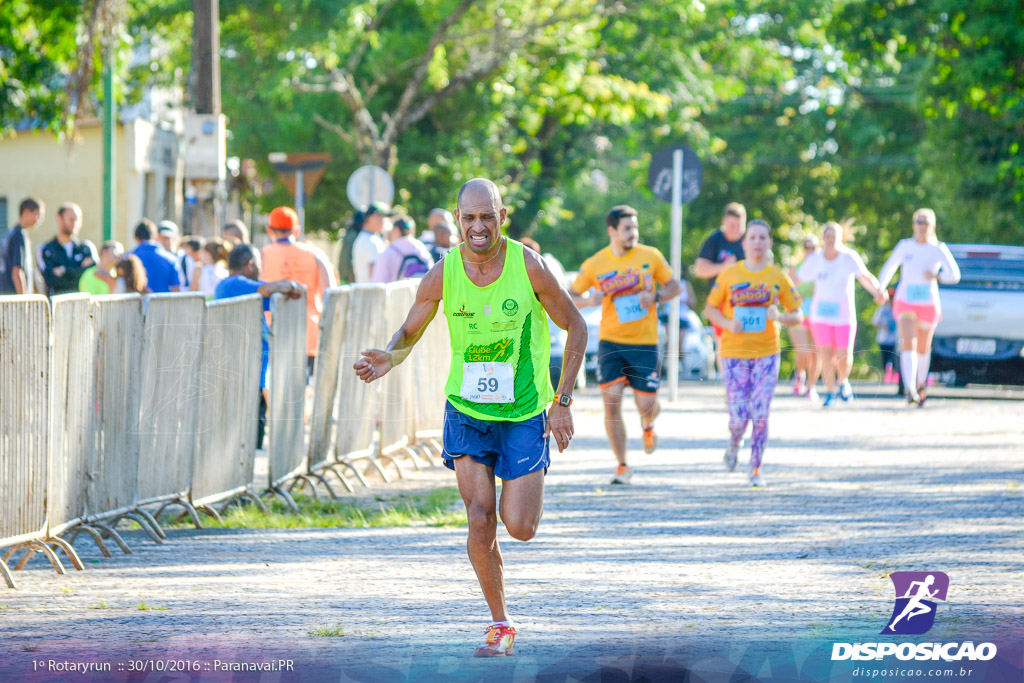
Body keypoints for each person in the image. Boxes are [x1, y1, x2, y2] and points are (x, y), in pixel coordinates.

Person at [354, 178, 586, 658]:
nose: (477, 227)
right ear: (457, 220)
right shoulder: (443, 273)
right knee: (479, 518)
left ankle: (518, 492)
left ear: (502, 216)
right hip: (465, 410)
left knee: (518, 526)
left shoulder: (529, 267)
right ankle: (500, 624)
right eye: (468, 218)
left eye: (486, 217)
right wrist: (389, 357)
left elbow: (576, 326)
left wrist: (561, 402)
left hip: (523, 412)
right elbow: (410, 328)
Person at [570, 205, 682, 485]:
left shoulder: (650, 256)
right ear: (612, 231)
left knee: (647, 403)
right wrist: (588, 301)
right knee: (611, 404)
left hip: (645, 342)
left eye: (635, 227)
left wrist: (655, 297)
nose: (633, 233)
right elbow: (570, 295)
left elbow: (675, 286)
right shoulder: (596, 263)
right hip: (611, 342)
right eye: (627, 228)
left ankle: (648, 423)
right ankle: (622, 465)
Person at [704, 219, 802, 488]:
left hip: (767, 354)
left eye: (762, 238)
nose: (757, 242)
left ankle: (756, 468)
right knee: (738, 416)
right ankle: (734, 441)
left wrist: (779, 315)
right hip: (734, 353)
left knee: (759, 413)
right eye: (753, 238)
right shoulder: (729, 274)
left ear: (769, 242)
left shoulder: (777, 277)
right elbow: (710, 309)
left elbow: (798, 314)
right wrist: (727, 324)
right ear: (744, 243)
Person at [216, 243, 304, 448]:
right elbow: (267, 289)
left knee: (256, 416)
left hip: (252, 368)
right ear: (250, 265)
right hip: (240, 367)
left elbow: (271, 294)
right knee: (245, 424)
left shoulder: (243, 287)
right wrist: (290, 286)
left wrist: (286, 291)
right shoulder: (234, 283)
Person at [876, 208, 961, 406]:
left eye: (926, 222)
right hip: (906, 301)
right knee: (908, 343)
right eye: (919, 222)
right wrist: (880, 288)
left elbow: (955, 275)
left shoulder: (938, 248)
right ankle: (909, 388)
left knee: (923, 347)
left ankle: (921, 383)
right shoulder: (905, 246)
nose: (922, 226)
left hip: (928, 303)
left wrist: (938, 277)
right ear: (913, 224)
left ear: (932, 226)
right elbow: (890, 267)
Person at [797, 222, 887, 407]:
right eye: (827, 237)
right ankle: (830, 392)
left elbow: (865, 277)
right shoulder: (815, 259)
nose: (830, 241)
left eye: (834, 237)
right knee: (826, 353)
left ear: (841, 239)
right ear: (823, 239)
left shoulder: (849, 257)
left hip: (844, 315)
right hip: (820, 316)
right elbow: (797, 280)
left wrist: (878, 291)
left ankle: (843, 381)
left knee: (844, 353)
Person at [261, 206, 332, 372]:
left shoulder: (262, 256)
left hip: (275, 332)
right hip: (309, 333)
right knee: (305, 385)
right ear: (297, 230)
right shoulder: (316, 255)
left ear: (269, 230)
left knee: (279, 387)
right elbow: (329, 294)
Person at [694, 203, 747, 373]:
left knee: (746, 340)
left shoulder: (749, 240)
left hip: (746, 300)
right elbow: (699, 269)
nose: (735, 230)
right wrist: (723, 267)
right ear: (724, 222)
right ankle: (727, 381)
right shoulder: (714, 240)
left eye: (739, 226)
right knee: (722, 341)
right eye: (731, 225)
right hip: (720, 302)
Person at [39, 202, 97, 295]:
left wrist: (63, 271)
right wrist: (79, 269)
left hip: (82, 304)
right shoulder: (46, 249)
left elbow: (92, 275)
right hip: (56, 305)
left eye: (77, 220)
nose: (75, 224)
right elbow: (51, 280)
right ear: (59, 218)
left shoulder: (86, 247)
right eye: (71, 219)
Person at [788, 235, 819, 399]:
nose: (810, 250)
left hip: (817, 315)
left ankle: (811, 386)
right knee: (804, 351)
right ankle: (800, 375)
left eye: (813, 247)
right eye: (807, 247)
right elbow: (789, 291)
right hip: (798, 314)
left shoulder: (822, 267)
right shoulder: (796, 267)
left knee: (816, 352)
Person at [0, 197, 44, 295]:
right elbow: (17, 271)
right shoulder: (19, 235)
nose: (39, 220)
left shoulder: (11, 233)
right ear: (26, 212)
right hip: (13, 296)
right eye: (38, 215)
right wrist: (24, 300)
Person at [371, 215, 434, 282]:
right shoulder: (421, 248)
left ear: (396, 229)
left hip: (398, 292)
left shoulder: (388, 252)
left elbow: (378, 282)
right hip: (421, 291)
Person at [131, 219, 181, 293]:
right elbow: (176, 289)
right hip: (163, 303)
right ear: (155, 236)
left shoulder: (129, 258)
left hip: (135, 303)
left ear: (136, 238)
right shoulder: (171, 259)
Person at [350, 202, 395, 283]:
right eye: (383, 217)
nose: (384, 221)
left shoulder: (363, 238)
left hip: (365, 291)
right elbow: (376, 274)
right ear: (374, 217)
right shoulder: (372, 241)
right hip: (373, 293)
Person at [872, 287, 902, 394]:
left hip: (895, 339)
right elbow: (874, 323)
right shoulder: (882, 309)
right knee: (885, 359)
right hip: (884, 338)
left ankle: (895, 375)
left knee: (895, 358)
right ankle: (887, 375)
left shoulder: (898, 308)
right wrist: (884, 326)